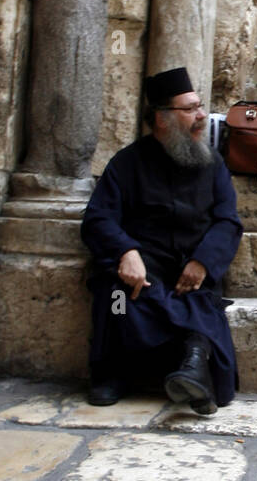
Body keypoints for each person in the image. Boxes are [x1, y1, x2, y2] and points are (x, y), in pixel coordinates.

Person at [81, 67, 243, 414]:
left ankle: (193, 368)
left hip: (192, 270)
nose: (201, 116)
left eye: (199, 107)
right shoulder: (127, 164)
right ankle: (122, 371)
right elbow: (98, 218)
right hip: (144, 269)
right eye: (190, 109)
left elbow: (228, 221)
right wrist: (126, 251)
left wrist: (203, 261)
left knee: (201, 300)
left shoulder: (212, 164)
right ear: (162, 118)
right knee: (118, 298)